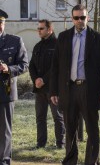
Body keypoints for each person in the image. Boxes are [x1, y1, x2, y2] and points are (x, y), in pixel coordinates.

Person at [50, 4, 100, 165]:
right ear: (72, 19)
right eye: (76, 18)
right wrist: (53, 91)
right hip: (68, 89)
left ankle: (91, 162)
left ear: (88, 18)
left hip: (89, 89)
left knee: (92, 129)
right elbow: (55, 66)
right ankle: (70, 161)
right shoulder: (63, 37)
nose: (80, 20)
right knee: (70, 129)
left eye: (83, 17)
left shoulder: (97, 38)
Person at [29, 19, 65, 149]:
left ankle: (61, 143)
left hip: (53, 88)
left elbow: (58, 67)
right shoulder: (37, 46)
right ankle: (40, 144)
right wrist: (36, 80)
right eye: (38, 28)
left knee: (58, 117)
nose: (39, 31)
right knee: (40, 117)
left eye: (41, 28)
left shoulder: (58, 45)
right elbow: (31, 65)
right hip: (39, 89)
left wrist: (43, 79)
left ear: (50, 29)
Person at [0, 9, 28, 165]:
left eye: (1, 22)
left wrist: (8, 69)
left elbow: (24, 65)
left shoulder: (14, 41)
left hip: (5, 91)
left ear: (4, 23)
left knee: (4, 131)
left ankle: (4, 161)